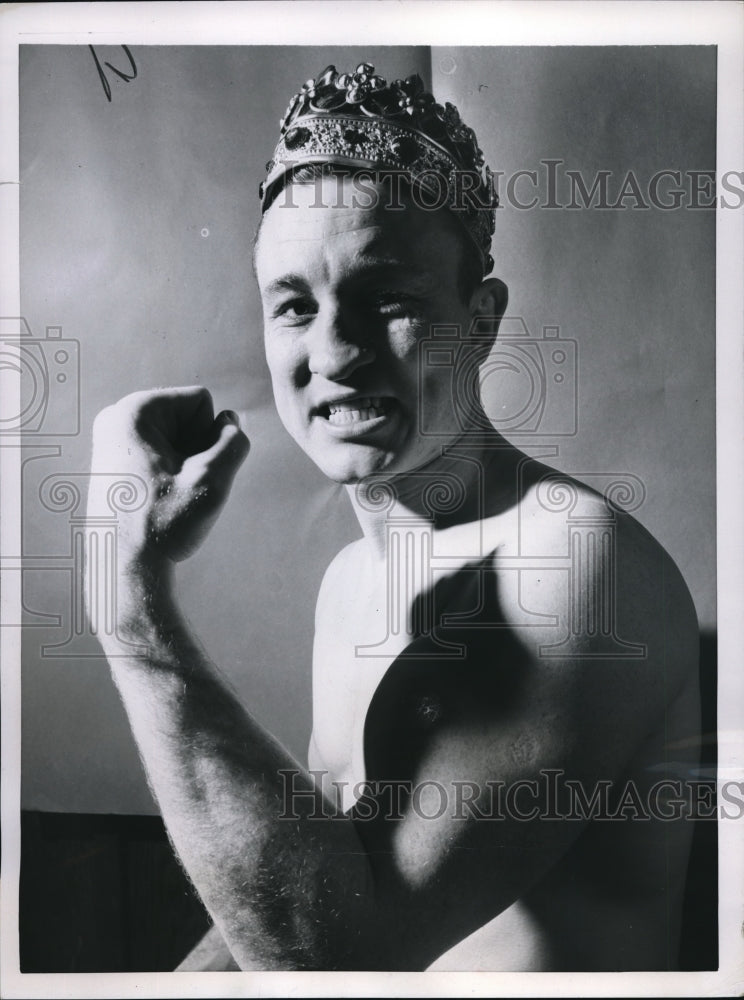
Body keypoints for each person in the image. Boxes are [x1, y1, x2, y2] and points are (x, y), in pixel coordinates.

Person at [87, 63, 701, 972]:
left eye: (392, 300)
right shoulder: (352, 585)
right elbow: (288, 893)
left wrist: (127, 603)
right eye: (295, 306)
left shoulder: (574, 563)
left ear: (482, 320)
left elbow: (333, 959)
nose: (334, 351)